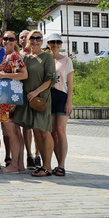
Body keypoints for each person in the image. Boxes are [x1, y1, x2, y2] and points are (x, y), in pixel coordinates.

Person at [13, 30, 56, 178]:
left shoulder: (47, 57)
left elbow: (50, 79)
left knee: (45, 131)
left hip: (41, 99)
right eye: (32, 38)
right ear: (27, 41)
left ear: (42, 41)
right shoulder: (26, 58)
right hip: (29, 100)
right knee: (36, 131)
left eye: (38, 38)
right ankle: (43, 165)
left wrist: (36, 92)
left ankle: (48, 166)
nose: (35, 41)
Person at [0, 31, 28, 173]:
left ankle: (14, 164)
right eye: (5, 38)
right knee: (15, 132)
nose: (7, 41)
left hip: (8, 101)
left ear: (15, 41)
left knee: (12, 132)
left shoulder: (14, 55)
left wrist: (4, 75)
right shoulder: (7, 56)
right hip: (8, 99)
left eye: (11, 39)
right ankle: (19, 164)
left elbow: (23, 74)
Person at [47, 33, 73, 176]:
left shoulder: (66, 60)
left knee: (60, 131)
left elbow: (70, 83)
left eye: (58, 42)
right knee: (51, 132)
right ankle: (50, 164)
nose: (55, 45)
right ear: (48, 44)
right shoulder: (45, 59)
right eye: (52, 42)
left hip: (61, 96)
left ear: (61, 44)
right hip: (48, 96)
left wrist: (69, 101)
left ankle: (61, 165)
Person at [18, 29, 37, 168]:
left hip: (35, 94)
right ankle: (29, 154)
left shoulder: (36, 55)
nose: (24, 39)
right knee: (26, 127)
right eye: (22, 37)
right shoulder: (17, 55)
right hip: (21, 94)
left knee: (37, 126)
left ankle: (38, 154)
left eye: (27, 36)